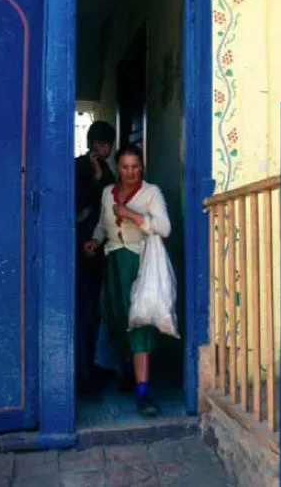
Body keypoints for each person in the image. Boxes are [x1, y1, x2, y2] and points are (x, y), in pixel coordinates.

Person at [84, 143, 171, 416]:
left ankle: (143, 392)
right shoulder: (107, 193)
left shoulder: (151, 193)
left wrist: (131, 214)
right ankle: (129, 373)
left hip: (140, 264)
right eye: (124, 167)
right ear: (118, 168)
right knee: (118, 320)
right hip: (113, 263)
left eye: (135, 167)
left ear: (142, 166)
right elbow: (101, 224)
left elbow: (164, 228)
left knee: (140, 324)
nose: (130, 172)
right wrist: (95, 241)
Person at [74, 121, 116, 394]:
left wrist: (102, 177)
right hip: (79, 248)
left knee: (96, 313)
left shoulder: (110, 172)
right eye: (100, 143)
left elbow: (110, 203)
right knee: (82, 312)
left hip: (99, 251)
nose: (104, 148)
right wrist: (97, 178)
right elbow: (76, 203)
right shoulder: (78, 166)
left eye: (108, 144)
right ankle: (81, 373)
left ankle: (91, 366)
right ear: (91, 143)